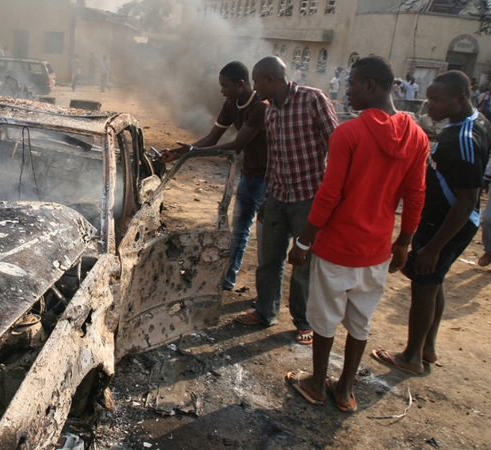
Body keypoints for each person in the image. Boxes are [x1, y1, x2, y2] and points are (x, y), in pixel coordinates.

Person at [284, 55, 429, 412]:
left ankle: (317, 383)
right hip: (377, 250)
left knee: (324, 317)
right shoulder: (418, 137)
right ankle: (346, 390)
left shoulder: (348, 133)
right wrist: (404, 243)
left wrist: (304, 241)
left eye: (350, 84)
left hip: (337, 247)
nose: (346, 91)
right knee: (360, 321)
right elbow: (415, 196)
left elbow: (329, 194)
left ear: (370, 85)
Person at [372, 71, 491, 375]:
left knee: (424, 285)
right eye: (429, 98)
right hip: (442, 219)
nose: (429, 105)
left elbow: (466, 199)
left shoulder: (464, 139)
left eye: (437, 100)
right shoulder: (471, 124)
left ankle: (411, 356)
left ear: (461, 99)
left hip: (446, 224)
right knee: (433, 282)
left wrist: (434, 247)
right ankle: (428, 347)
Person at [235, 56, 338, 345]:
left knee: (302, 264)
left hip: (308, 198)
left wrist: (328, 196)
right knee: (269, 259)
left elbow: (337, 147)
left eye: (257, 81)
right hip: (278, 196)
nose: (254, 87)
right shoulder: (270, 112)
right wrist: (267, 199)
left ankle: (303, 321)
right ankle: (265, 311)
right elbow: (275, 160)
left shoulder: (313, 100)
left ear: (271, 79)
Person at [159, 62, 269, 291]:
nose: (222, 91)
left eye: (225, 86)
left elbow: (238, 145)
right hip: (248, 175)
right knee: (239, 231)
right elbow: (211, 139)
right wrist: (178, 153)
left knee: (268, 242)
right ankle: (227, 280)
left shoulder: (261, 106)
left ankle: (265, 297)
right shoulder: (231, 103)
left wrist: (196, 152)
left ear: (241, 84)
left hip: (270, 179)